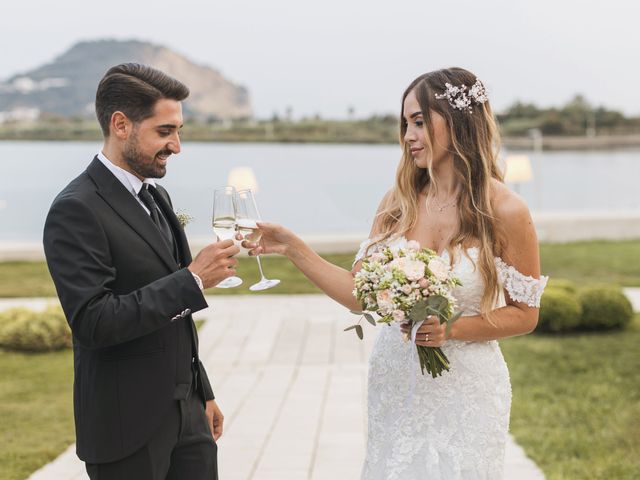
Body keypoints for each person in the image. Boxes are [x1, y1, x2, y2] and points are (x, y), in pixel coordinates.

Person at [243, 67, 548, 479]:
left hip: (467, 391)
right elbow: (361, 295)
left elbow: (525, 314)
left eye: (420, 122)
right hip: (396, 380)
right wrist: (293, 249)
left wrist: (452, 329)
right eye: (405, 124)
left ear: (458, 123)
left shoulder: (507, 211)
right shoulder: (398, 201)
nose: (408, 136)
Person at [43, 63, 239, 480]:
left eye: (179, 131)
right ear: (121, 125)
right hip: (125, 426)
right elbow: (93, 321)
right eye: (165, 131)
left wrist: (200, 393)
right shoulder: (76, 209)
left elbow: (175, 316)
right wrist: (192, 280)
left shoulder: (158, 196)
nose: (177, 146)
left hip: (187, 417)